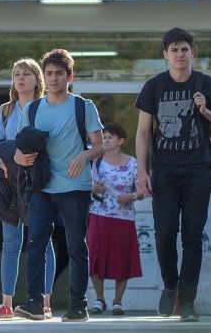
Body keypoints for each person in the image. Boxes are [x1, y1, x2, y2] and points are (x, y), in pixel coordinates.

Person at [134, 27, 211, 322]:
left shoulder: (205, 82)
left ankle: (187, 302)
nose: (179, 54)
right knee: (164, 233)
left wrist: (205, 110)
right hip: (163, 170)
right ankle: (170, 285)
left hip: (198, 168)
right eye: (174, 49)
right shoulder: (154, 86)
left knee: (192, 237)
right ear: (165, 54)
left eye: (184, 49)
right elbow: (142, 132)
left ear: (192, 52)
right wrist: (142, 171)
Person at [13, 49, 104, 322]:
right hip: (41, 187)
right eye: (49, 73)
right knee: (35, 244)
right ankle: (35, 303)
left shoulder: (83, 106)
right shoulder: (32, 109)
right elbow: (19, 149)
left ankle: (78, 306)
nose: (53, 78)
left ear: (69, 76)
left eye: (59, 73)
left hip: (75, 187)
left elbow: (99, 146)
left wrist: (84, 155)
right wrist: (21, 158)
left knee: (76, 247)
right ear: (44, 77)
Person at [0, 58, 58, 319]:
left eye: (26, 74)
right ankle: (6, 303)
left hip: (39, 182)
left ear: (37, 79)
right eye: (16, 74)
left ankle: (45, 302)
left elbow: (53, 143)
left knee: (43, 241)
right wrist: (5, 164)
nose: (20, 78)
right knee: (11, 242)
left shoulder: (47, 106)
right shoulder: (4, 110)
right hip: (10, 182)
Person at [87, 122, 142, 317]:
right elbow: (84, 186)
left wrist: (132, 196)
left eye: (110, 137)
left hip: (124, 218)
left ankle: (118, 301)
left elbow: (143, 190)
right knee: (94, 256)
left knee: (123, 258)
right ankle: (99, 299)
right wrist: (93, 189)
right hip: (98, 215)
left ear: (121, 141)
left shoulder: (133, 163)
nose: (106, 140)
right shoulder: (96, 162)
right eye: (104, 137)